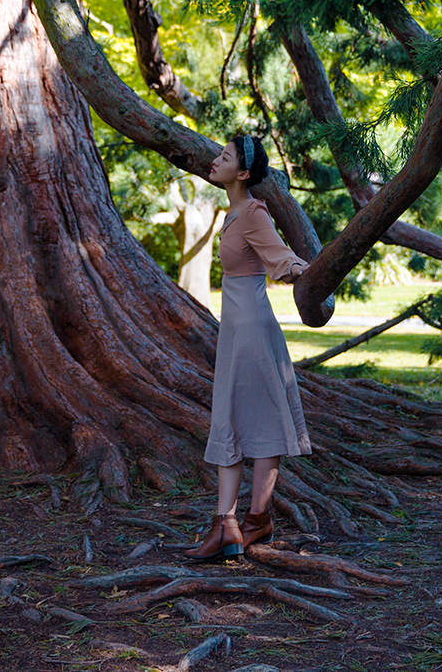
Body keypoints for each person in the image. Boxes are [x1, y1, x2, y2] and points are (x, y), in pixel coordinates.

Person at [184, 134, 312, 562]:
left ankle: (247, 521)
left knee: (255, 422)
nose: (215, 159)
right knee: (232, 419)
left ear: (242, 173)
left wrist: (309, 272)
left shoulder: (254, 212)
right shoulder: (233, 213)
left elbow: (282, 258)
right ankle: (233, 524)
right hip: (237, 330)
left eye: (225, 157)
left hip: (254, 330)